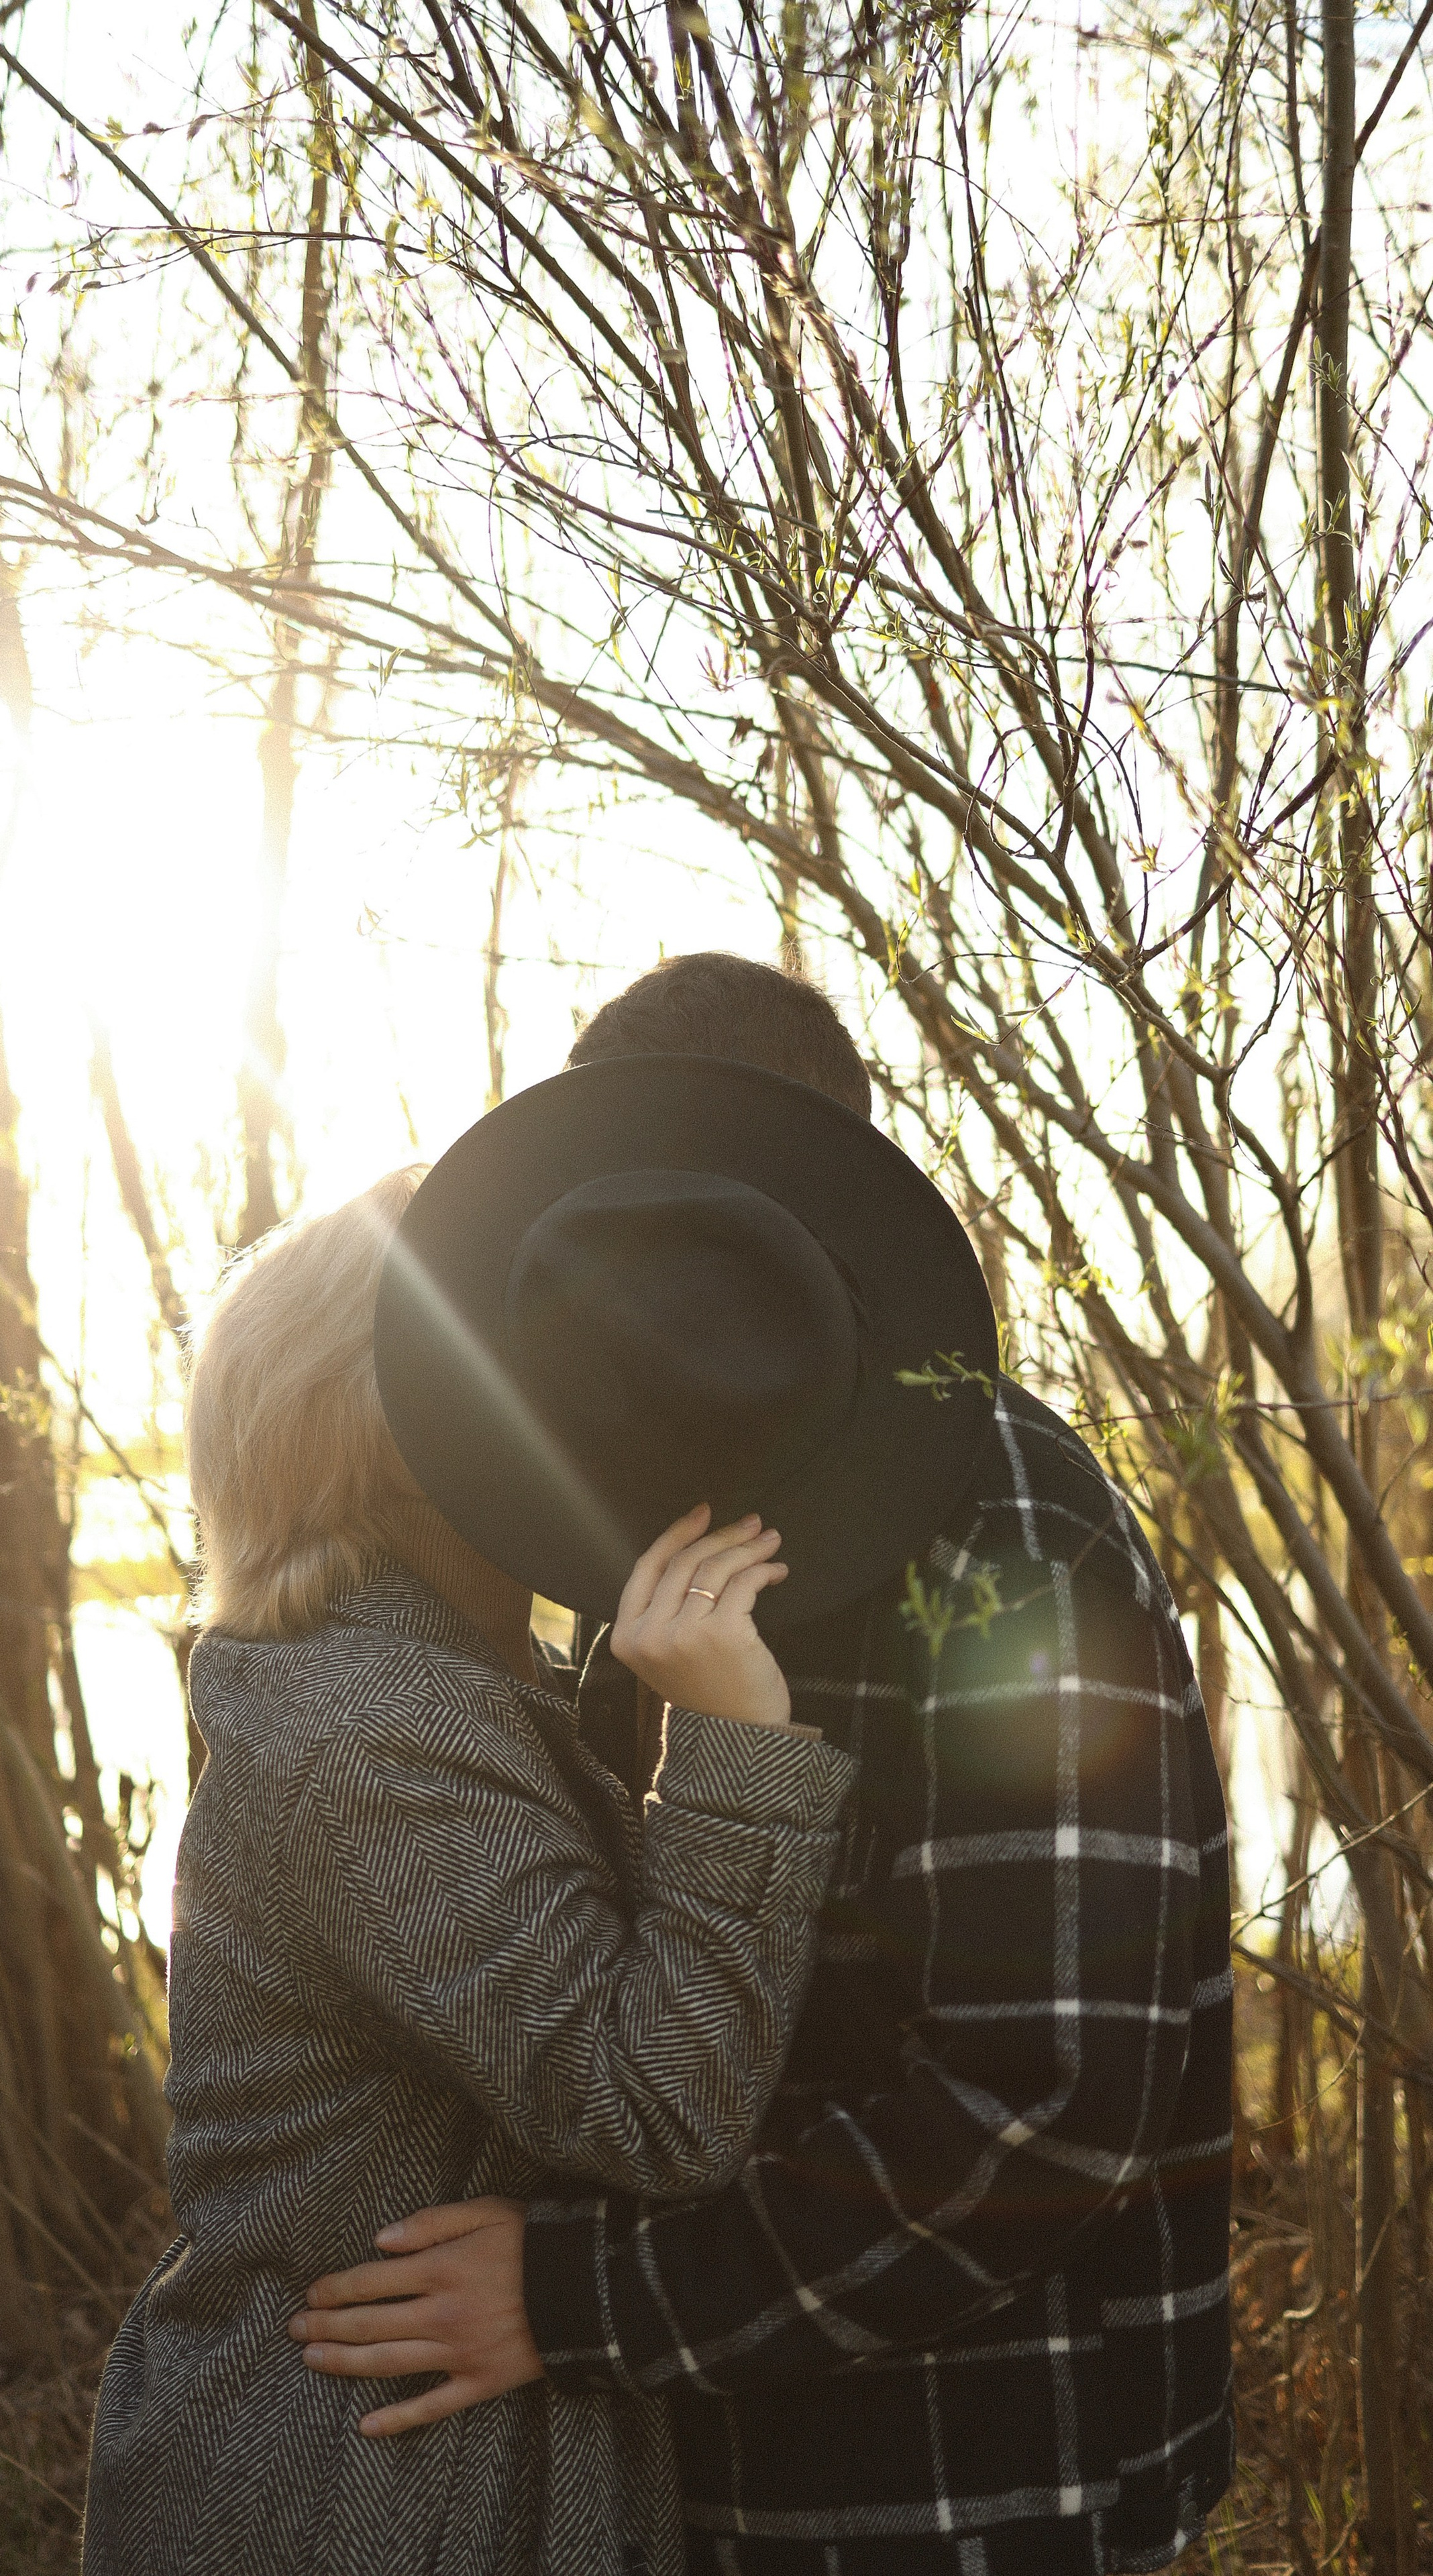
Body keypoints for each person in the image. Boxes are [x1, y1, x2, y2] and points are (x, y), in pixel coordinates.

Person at [289, 957, 1234, 2576]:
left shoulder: (1003, 1539)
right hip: (701, 2465)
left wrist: (572, 2294)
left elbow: (1043, 2108)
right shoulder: (623, 1487)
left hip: (975, 2489)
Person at [81, 1164, 855, 2576]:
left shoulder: (440, 1687)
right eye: (524, 1371)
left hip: (410, 2460)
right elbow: (656, 2105)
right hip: (356, 2486)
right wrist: (736, 1746)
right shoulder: (373, 1734)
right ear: (399, 1431)